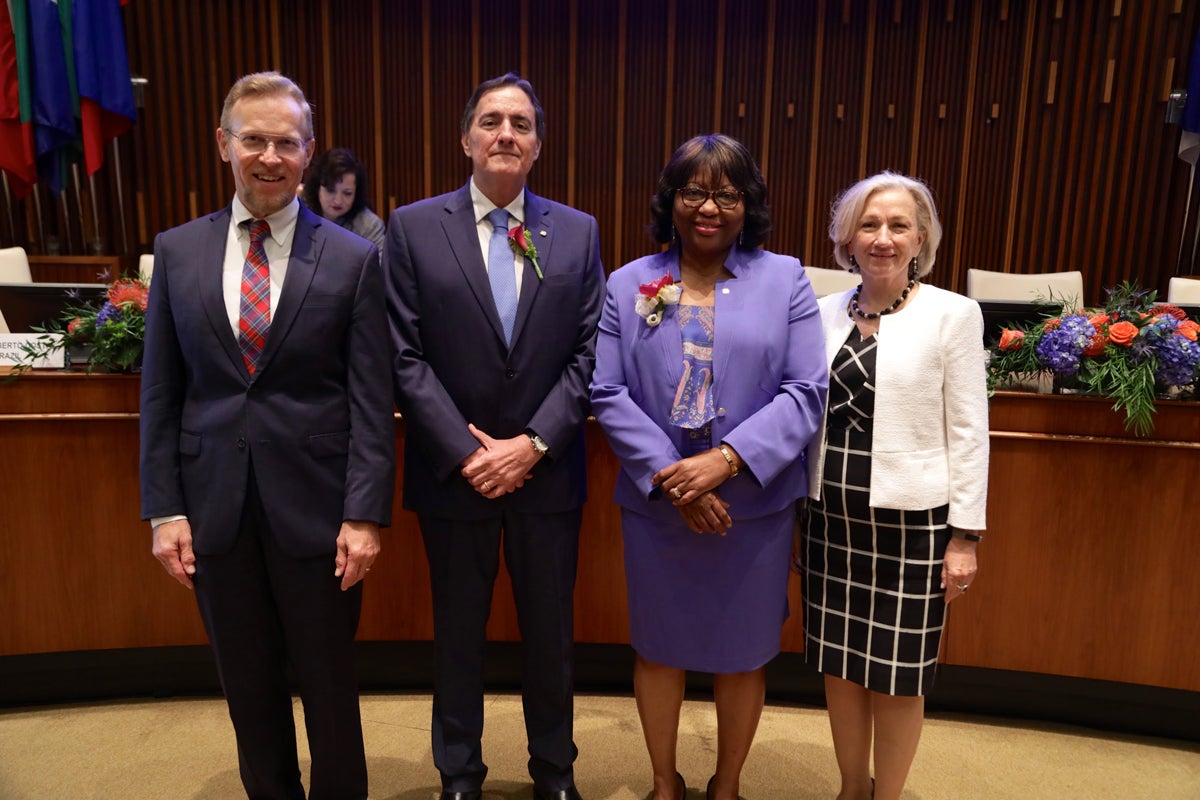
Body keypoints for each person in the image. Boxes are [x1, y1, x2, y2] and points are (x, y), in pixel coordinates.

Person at [139, 71, 395, 800]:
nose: (270, 156)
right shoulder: (178, 252)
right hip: (213, 508)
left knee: (329, 687)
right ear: (225, 144)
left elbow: (372, 401)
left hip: (318, 514)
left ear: (308, 152)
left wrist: (364, 514)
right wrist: (164, 510)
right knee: (248, 689)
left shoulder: (352, 258)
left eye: (287, 142)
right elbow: (160, 393)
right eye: (255, 139)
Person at [385, 73, 604, 800]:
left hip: (547, 472)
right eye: (490, 121)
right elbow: (404, 356)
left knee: (552, 637)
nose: (504, 133)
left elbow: (587, 354)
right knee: (457, 634)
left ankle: (556, 772)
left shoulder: (576, 231)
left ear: (538, 145)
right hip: (456, 476)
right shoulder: (412, 227)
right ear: (466, 139)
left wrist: (532, 443)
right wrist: (471, 451)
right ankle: (459, 772)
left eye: (519, 123)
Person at [589, 134, 828, 800]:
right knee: (658, 647)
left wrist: (723, 463)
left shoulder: (786, 279)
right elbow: (607, 391)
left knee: (742, 651)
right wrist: (677, 477)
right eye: (694, 190)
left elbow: (806, 389)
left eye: (727, 193)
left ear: (748, 205)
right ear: (671, 200)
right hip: (658, 504)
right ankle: (664, 782)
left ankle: (727, 785)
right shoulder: (628, 283)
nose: (709, 207)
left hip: (750, 505)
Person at [802, 171, 989, 800]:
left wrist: (964, 536)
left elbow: (969, 431)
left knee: (899, 676)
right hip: (830, 520)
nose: (883, 237)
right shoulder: (821, 312)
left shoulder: (953, 315)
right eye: (870, 224)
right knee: (842, 668)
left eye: (898, 225)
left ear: (920, 239)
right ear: (847, 238)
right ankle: (853, 786)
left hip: (912, 527)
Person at [301, 147, 387, 251]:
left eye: (347, 193)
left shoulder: (369, 226)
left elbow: (377, 265)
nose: (338, 201)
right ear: (317, 187)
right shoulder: (298, 211)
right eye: (331, 190)